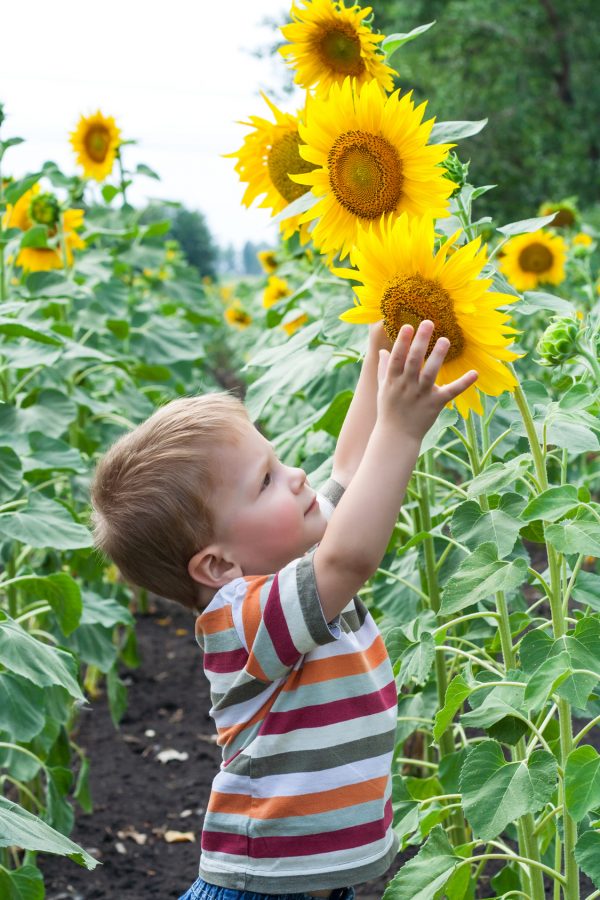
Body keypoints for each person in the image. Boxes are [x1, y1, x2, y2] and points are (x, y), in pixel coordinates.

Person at [90, 319, 478, 900]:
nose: (298, 475)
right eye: (267, 480)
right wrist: (401, 429)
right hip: (261, 884)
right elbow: (349, 557)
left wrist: (379, 353)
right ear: (217, 566)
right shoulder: (244, 618)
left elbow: (347, 473)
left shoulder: (287, 572)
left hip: (310, 880)